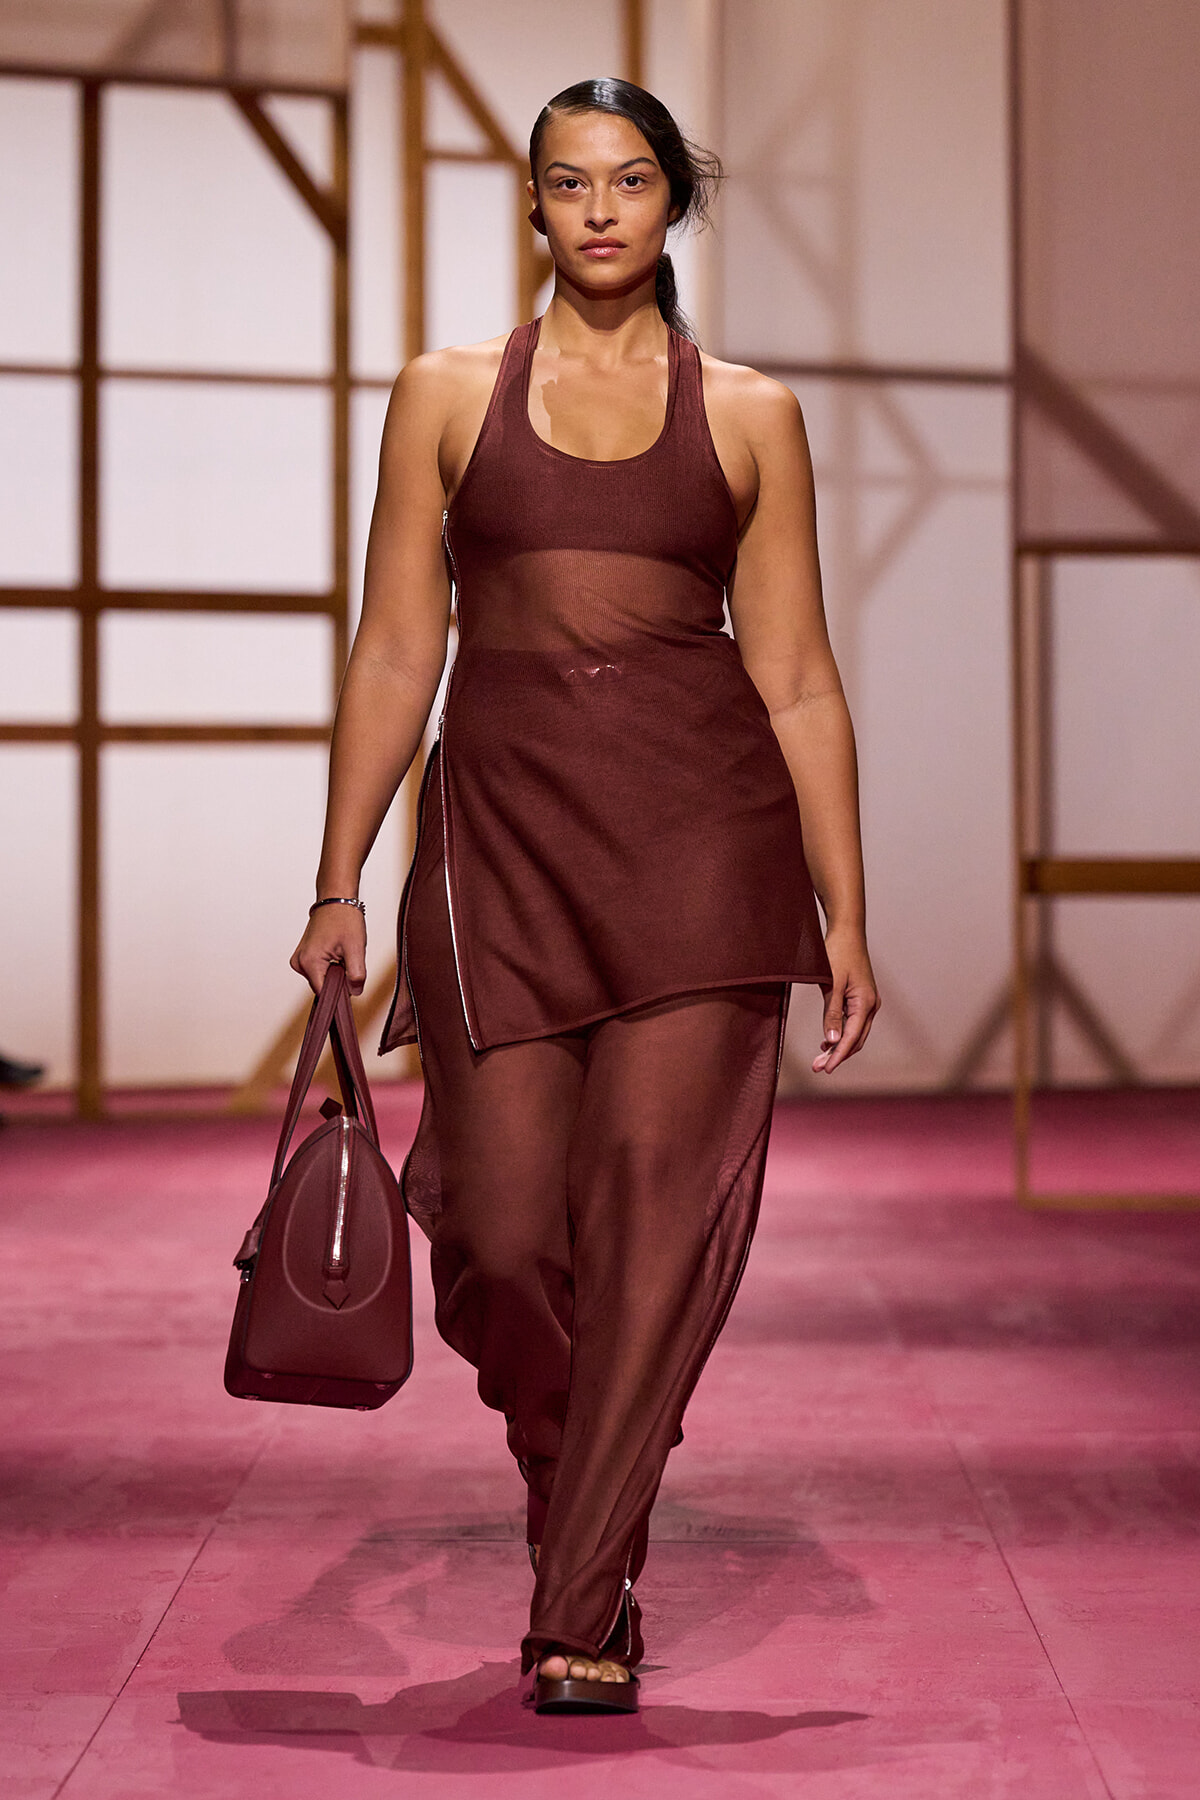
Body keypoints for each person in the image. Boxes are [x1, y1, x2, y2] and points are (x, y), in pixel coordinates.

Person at [292, 77, 879, 1714]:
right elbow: (399, 645)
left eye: (631, 182)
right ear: (535, 206)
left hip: (704, 849)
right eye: (569, 184)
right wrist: (338, 875)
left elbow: (802, 676)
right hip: (503, 849)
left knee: (647, 1226)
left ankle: (584, 1601)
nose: (601, 210)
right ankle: (585, 1506)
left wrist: (845, 908)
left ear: (672, 202)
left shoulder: (751, 412)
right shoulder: (444, 394)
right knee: (488, 1228)